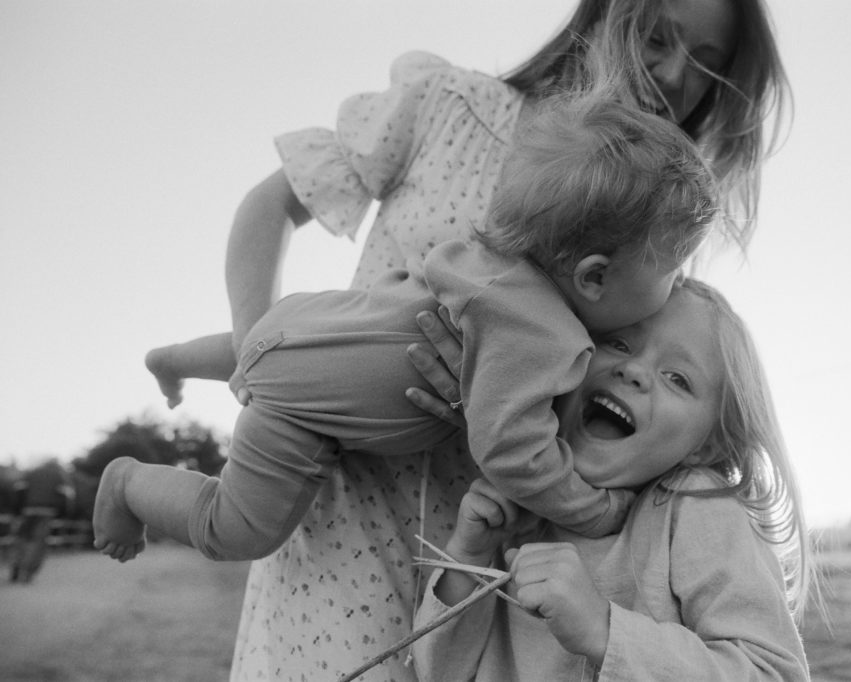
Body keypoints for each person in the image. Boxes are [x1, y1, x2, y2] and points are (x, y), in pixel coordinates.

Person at [140, 1, 787, 678]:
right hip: (336, 514)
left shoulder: (657, 233)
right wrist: (262, 358)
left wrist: (500, 389)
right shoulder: (448, 105)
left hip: (483, 562)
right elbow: (269, 206)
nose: (676, 73)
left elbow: (611, 408)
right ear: (602, 15)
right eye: (657, 38)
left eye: (709, 67)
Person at [92, 90, 717, 564]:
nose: (677, 285)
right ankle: (130, 484)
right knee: (236, 529)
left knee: (257, 348)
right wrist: (593, 511)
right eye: (673, 269)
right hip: (295, 411)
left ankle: (174, 359)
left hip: (304, 322)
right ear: (594, 278)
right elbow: (511, 448)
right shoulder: (540, 334)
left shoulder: (484, 262)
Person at [411, 280, 812, 681]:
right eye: (618, 344)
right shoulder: (517, 509)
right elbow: (436, 674)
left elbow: (773, 673)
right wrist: (468, 559)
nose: (634, 370)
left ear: (705, 447)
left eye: (678, 378)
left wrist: (605, 631)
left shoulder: (695, 503)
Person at [9, 459, 75, 583]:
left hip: (27, 510)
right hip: (47, 512)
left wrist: (17, 511)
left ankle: (16, 567)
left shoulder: (31, 473)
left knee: (21, 540)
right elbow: (67, 497)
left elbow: (18, 491)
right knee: (38, 544)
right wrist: (64, 515)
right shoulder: (59, 476)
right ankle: (27, 573)